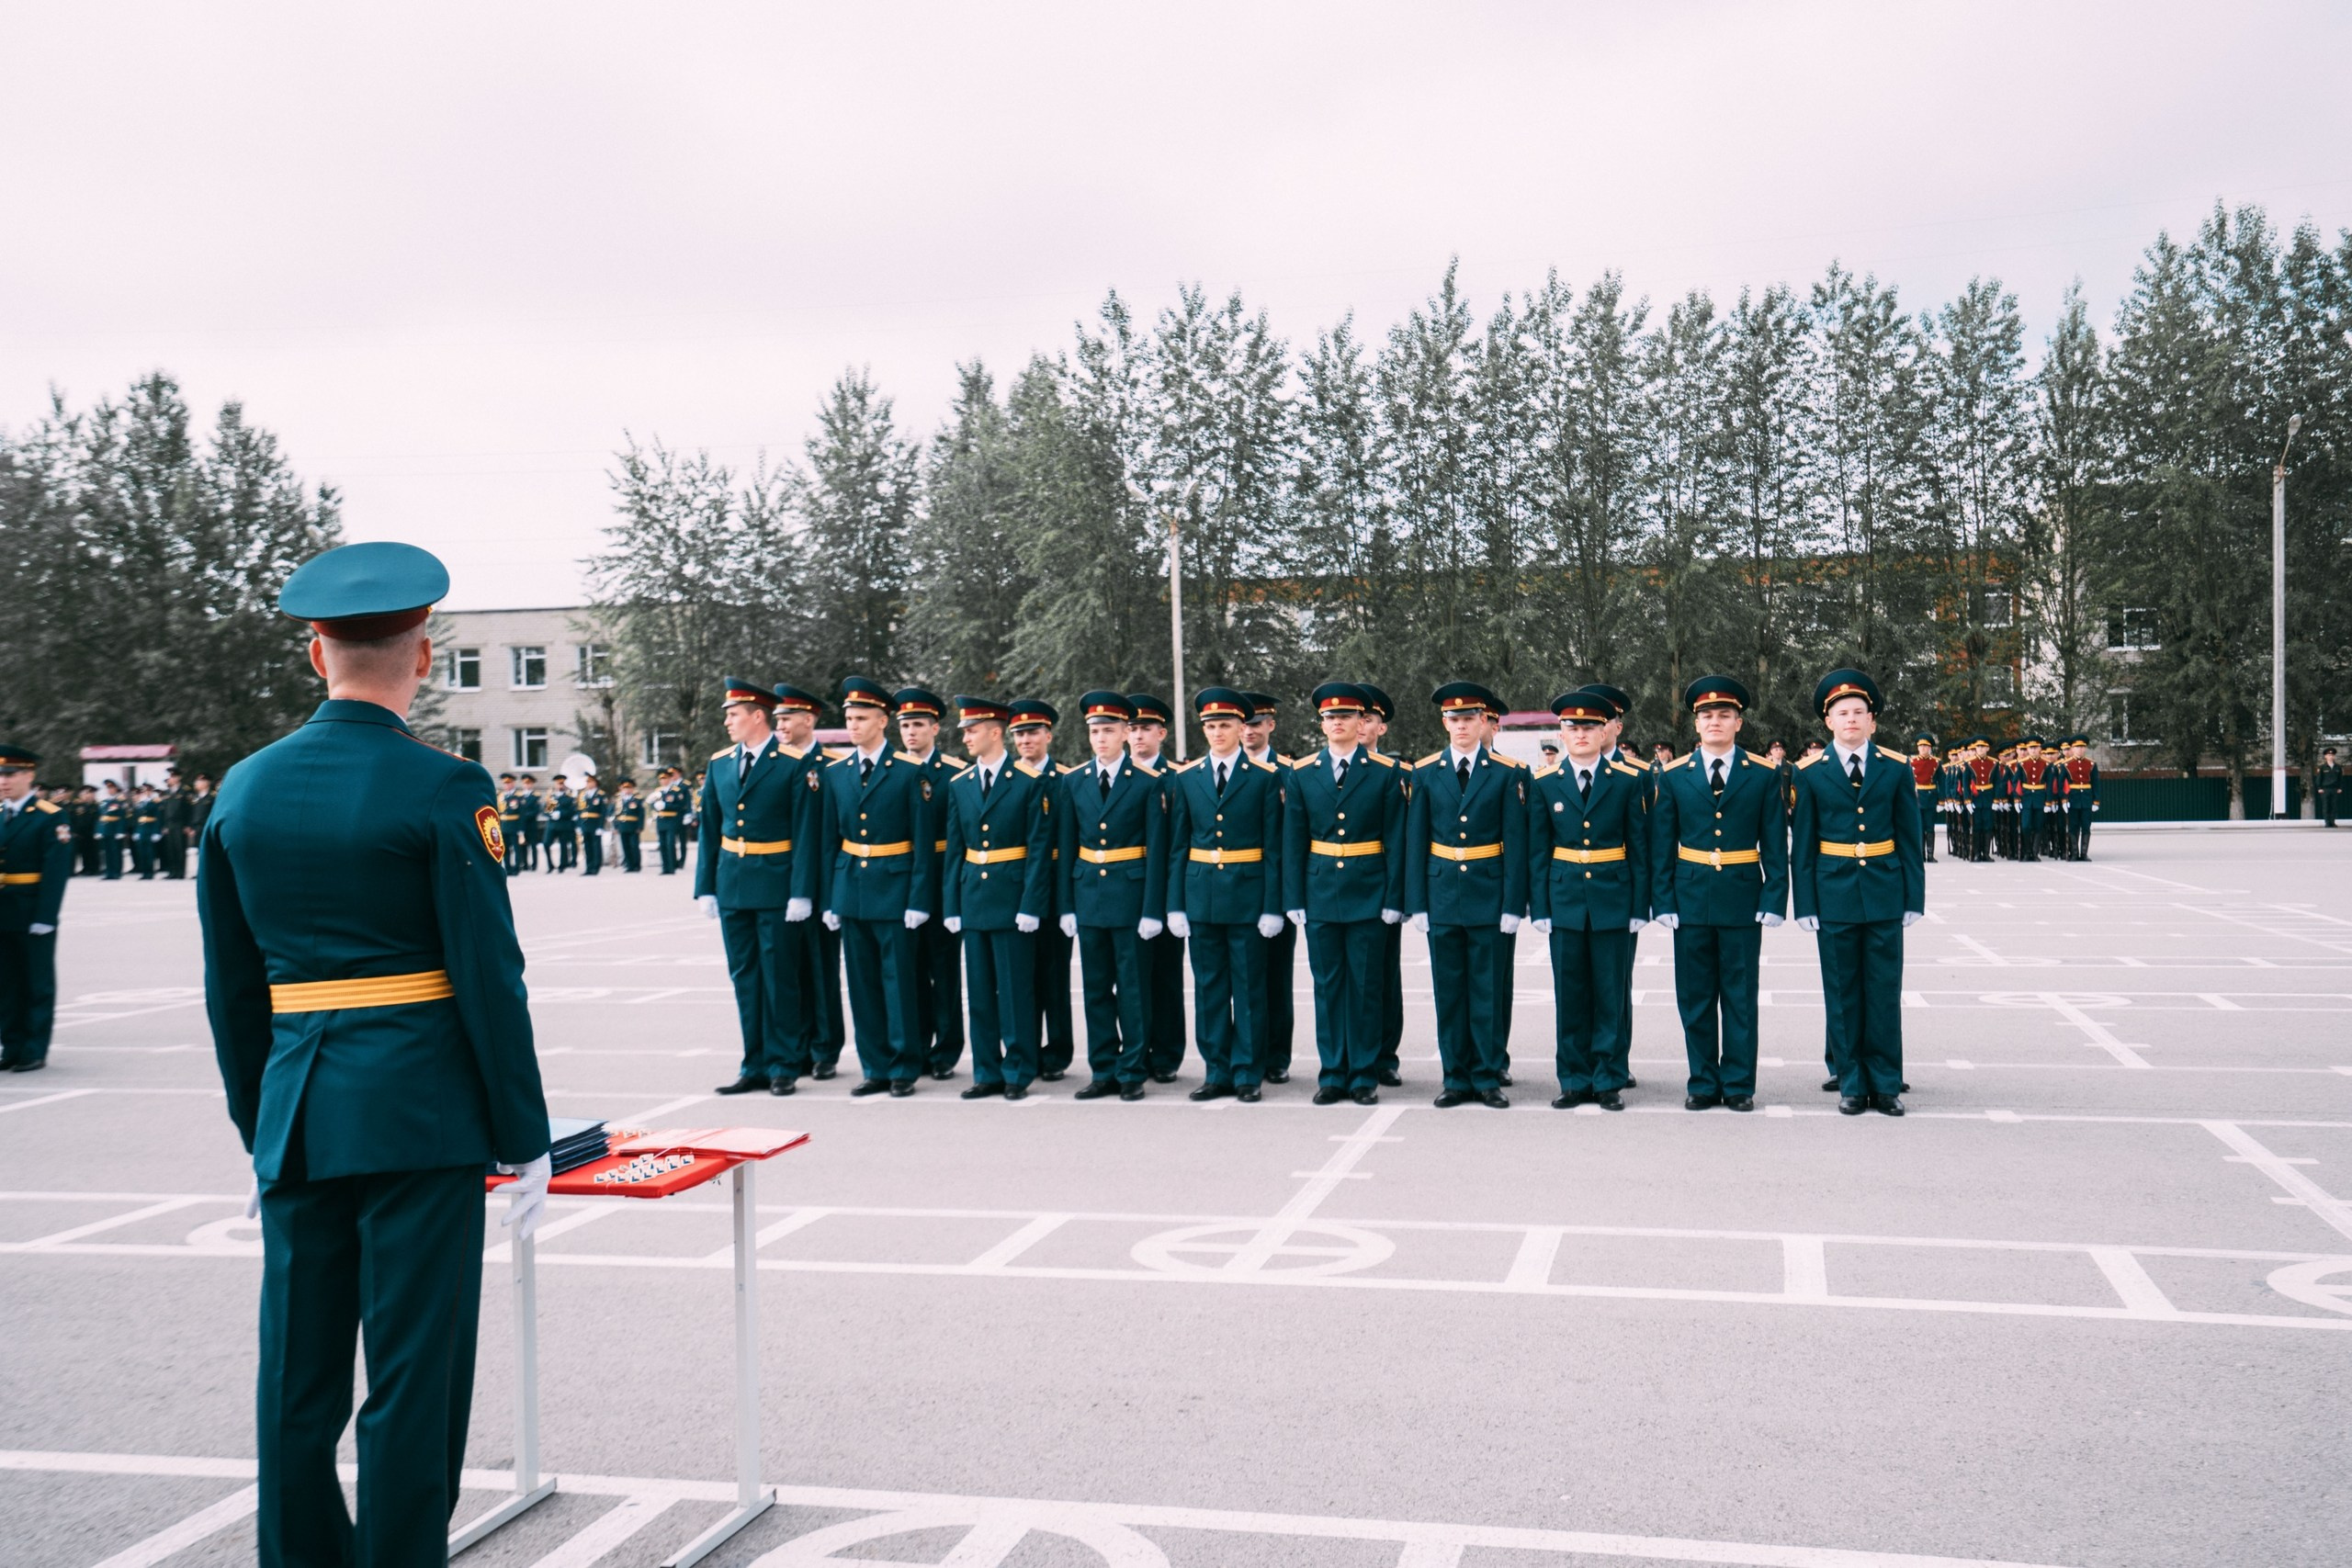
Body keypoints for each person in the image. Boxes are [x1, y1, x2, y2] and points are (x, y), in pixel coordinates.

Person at [198, 541, 549, 1568]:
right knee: (412, 1375)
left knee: (296, 1383)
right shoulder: (444, 787)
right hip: (419, 1115)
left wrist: (257, 1126)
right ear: (425, 656)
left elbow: (230, 990)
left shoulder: (243, 791)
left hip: (299, 1115)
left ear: (316, 654)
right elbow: (489, 977)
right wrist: (522, 1135)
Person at [1649, 674, 1786, 1111]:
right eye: (1707, 715)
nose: (1715, 721)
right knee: (1695, 998)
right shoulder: (1673, 776)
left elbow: (1774, 843)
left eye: (1724, 715)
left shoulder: (1764, 774)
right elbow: (1662, 844)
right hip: (1689, 897)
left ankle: (1740, 1085)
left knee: (1741, 997)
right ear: (1696, 724)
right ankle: (1703, 1082)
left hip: (1743, 895)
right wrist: (1664, 899)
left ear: (1738, 723)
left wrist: (1774, 898)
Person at [1791, 670, 1923, 1117]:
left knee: (1884, 990)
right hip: (1833, 892)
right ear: (1828, 722)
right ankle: (1851, 1080)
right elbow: (1803, 844)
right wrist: (1805, 903)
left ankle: (1885, 1083)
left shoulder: (1895, 766)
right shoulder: (1808, 772)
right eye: (1841, 713)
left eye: (1859, 712)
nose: (1851, 719)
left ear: (1872, 721)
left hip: (1885, 890)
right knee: (1843, 991)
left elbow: (1910, 837)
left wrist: (1913, 898)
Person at [1282, 682, 1406, 1106]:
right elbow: (1293, 839)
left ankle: (1363, 1075)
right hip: (1319, 891)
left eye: (1346, 716)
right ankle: (1333, 1073)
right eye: (1330, 717)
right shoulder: (1301, 772)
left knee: (1366, 985)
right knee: (1328, 985)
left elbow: (1396, 839)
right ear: (1322, 724)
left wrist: (1394, 898)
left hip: (1369, 888)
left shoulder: (1385, 772)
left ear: (1361, 722)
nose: (1338, 723)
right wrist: (1294, 897)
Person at [816, 677, 941, 1096]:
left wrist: (919, 898)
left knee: (899, 982)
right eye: (849, 718)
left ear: (882, 721)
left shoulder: (909, 772)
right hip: (852, 888)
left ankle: (904, 1066)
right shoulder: (837, 773)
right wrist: (832, 899)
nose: (853, 725)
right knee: (863, 983)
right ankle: (874, 1066)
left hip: (896, 887)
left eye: (861, 718)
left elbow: (923, 843)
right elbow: (830, 840)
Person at [1405, 681, 1526, 1109]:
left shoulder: (1506, 773)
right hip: (1441, 893)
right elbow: (1415, 840)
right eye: (1454, 719)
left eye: (1469, 718)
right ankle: (1455, 1077)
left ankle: (1486, 1075)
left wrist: (1514, 903)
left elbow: (1516, 841)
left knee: (1487, 990)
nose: (1461, 726)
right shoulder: (1424, 772)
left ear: (1483, 722)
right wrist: (1416, 901)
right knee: (1450, 990)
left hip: (1488, 893)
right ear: (1444, 722)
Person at [1527, 689, 1649, 1111]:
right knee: (1571, 992)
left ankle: (1609, 1078)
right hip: (1563, 898)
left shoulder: (1628, 780)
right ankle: (1573, 1079)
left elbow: (1639, 846)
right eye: (1572, 727)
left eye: (1590, 727)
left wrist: (1639, 906)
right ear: (1561, 734)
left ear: (1606, 732)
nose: (1581, 733)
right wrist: (1539, 907)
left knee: (1610, 993)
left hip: (1613, 897)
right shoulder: (1543, 781)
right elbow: (1537, 850)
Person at [698, 678, 820, 1097]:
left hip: (776, 884)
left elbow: (806, 832)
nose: (728, 722)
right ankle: (754, 1063)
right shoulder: (719, 763)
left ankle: (785, 1063)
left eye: (733, 715)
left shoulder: (792, 763)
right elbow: (710, 829)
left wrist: (801, 891)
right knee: (745, 977)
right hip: (732, 883)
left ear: (757, 716)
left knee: (779, 976)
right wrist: (706, 887)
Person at [1164, 687, 1285, 1102]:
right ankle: (1216, 1070)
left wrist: (1273, 907)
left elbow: (1274, 848)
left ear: (1240, 729)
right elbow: (1178, 845)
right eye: (1211, 726)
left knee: (1250, 987)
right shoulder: (1187, 778)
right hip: (1201, 896)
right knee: (1210, 987)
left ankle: (1248, 1072)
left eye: (1226, 725)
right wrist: (1174, 904)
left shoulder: (1264, 778)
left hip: (1248, 896)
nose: (1218, 732)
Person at [1055, 693, 1169, 1101]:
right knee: (1096, 988)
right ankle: (1103, 1068)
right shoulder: (1074, 780)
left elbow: (1157, 850)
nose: (1100, 738)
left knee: (1133, 988)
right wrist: (1066, 905)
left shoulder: (1147, 782)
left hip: (1131, 895)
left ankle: (1133, 1070)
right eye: (1094, 731)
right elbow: (1066, 844)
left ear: (1125, 732)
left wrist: (1153, 908)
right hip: (1088, 896)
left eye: (1108, 730)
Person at [942, 697, 1055, 1100]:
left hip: (1011, 898)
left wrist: (1031, 904)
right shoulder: (961, 784)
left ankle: (1018, 1071)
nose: (966, 737)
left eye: (972, 730)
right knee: (980, 992)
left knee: (1014, 991)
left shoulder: (1028, 781)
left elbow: (1039, 850)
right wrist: (951, 905)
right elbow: (955, 849)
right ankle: (986, 1071)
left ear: (994, 732)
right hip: (974, 897)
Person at [772, 691, 845, 1076]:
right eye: (778, 719)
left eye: (789, 718)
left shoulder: (831, 766)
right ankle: (797, 1046)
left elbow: (829, 833)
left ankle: (825, 1049)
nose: (780, 726)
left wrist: (829, 894)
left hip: (820, 884)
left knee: (821, 968)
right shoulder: (779, 764)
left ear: (810, 720)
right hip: (782, 885)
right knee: (790, 971)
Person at [895, 687, 967, 1081]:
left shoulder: (954, 772)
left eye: (918, 724)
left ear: (935, 728)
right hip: (902, 880)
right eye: (904, 725)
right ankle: (918, 1045)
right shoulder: (893, 770)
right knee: (910, 971)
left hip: (941, 878)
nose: (910, 732)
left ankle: (947, 1050)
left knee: (944, 968)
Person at [1011, 700, 1077, 1079]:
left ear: (1048, 735)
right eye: (1019, 733)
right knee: (1020, 977)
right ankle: (1026, 1049)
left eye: (1033, 732)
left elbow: (1068, 841)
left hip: (1053, 888)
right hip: (1015, 889)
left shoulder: (1064, 779)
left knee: (1054, 975)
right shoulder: (1007, 779)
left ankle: (1057, 1052)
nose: (1025, 739)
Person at [1125, 694, 1189, 1082]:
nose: (1137, 735)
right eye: (1131, 729)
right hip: (1128, 891)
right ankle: (1134, 1050)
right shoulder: (1120, 775)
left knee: (1165, 977)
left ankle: (1165, 1055)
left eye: (1145, 728)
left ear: (1162, 733)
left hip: (1165, 890)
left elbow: (1180, 841)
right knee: (1132, 980)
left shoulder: (1177, 778)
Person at [0, 745, 73, 1073]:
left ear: (29, 775)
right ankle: (11, 1046)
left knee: (36, 982)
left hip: (31, 911)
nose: (4, 781)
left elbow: (56, 871)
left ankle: (34, 1048)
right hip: (3, 912)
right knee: (6, 983)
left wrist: (46, 917)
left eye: (10, 774)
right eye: (0, 776)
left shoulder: (50, 815)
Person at [1242, 691, 1298, 1085]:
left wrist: (1283, 900)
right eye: (1243, 725)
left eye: (1256, 724)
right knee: (1242, 980)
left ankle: (1276, 1055)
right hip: (1237, 891)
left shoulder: (1289, 771)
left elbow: (1291, 841)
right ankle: (1244, 1054)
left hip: (1275, 890)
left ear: (1271, 725)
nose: (1249, 732)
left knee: (1276, 977)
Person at [1358, 683, 1408, 1089]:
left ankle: (1384, 1055)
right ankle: (1355, 1054)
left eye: (1368, 719)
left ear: (1381, 728)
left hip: (1383, 889)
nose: (1359, 726)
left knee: (1383, 976)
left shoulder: (1399, 774)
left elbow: (1403, 838)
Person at [1909, 735, 1940, 862]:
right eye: (1921, 746)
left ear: (1930, 748)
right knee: (1919, 827)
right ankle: (1921, 854)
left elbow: (1941, 782)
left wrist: (1942, 801)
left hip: (1931, 797)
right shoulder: (1911, 762)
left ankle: (1931, 854)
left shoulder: (1936, 762)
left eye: (1926, 746)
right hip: (1917, 797)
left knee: (1930, 827)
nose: (1923, 748)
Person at [653, 766, 688, 873]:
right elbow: (653, 804)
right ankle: (665, 867)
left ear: (670, 779)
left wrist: (666, 805)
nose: (663, 781)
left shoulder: (676, 791)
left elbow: (680, 806)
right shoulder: (657, 791)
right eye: (661, 779)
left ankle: (672, 866)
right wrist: (654, 809)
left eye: (665, 778)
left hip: (672, 820)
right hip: (661, 820)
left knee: (670, 843)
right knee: (662, 844)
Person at [159, 769, 193, 879]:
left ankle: (180, 872)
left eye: (173, 777)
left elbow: (189, 810)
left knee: (180, 848)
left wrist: (188, 825)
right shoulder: (167, 792)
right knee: (170, 849)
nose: (171, 779)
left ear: (179, 778)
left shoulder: (185, 791)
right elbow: (165, 810)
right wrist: (164, 825)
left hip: (180, 824)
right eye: (170, 777)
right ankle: (172, 871)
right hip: (169, 824)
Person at [613, 778, 645, 872]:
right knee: (625, 846)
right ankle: (629, 865)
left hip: (633, 826)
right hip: (622, 826)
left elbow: (641, 814)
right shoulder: (619, 799)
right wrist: (616, 826)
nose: (627, 790)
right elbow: (615, 814)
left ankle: (636, 865)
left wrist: (640, 826)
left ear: (632, 789)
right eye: (624, 788)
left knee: (634, 846)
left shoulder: (637, 799)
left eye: (629, 788)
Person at [131, 784, 163, 878]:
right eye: (144, 792)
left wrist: (156, 832)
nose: (146, 793)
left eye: (148, 791)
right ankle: (144, 872)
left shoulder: (155, 803)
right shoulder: (140, 804)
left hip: (150, 829)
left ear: (151, 792)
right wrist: (136, 831)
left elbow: (158, 818)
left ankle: (150, 872)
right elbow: (137, 819)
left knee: (150, 853)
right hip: (141, 830)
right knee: (142, 852)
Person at [69, 784, 100, 875]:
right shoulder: (75, 806)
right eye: (85, 793)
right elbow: (72, 819)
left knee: (93, 851)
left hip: (93, 832)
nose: (88, 795)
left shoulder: (97, 806)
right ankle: (85, 868)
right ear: (80, 795)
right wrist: (73, 831)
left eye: (90, 793)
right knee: (83, 852)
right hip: (79, 833)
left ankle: (94, 869)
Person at [514, 774, 542, 870]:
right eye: (525, 784)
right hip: (522, 825)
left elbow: (536, 810)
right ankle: (524, 864)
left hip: (531, 824)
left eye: (529, 783)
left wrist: (525, 816)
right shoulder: (519, 796)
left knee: (533, 845)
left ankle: (534, 864)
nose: (527, 785)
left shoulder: (535, 796)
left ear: (532, 784)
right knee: (523, 845)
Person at [2316, 746, 2341, 829]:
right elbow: (2319, 778)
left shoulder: (2338, 767)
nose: (2331, 756)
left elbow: (2340, 778)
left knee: (2334, 806)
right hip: (2325, 789)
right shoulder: (2322, 767)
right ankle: (2327, 822)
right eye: (2329, 755)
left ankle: (2332, 822)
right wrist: (2319, 788)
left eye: (2332, 755)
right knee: (2326, 806)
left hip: (2334, 789)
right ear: (2325, 756)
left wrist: (2339, 787)